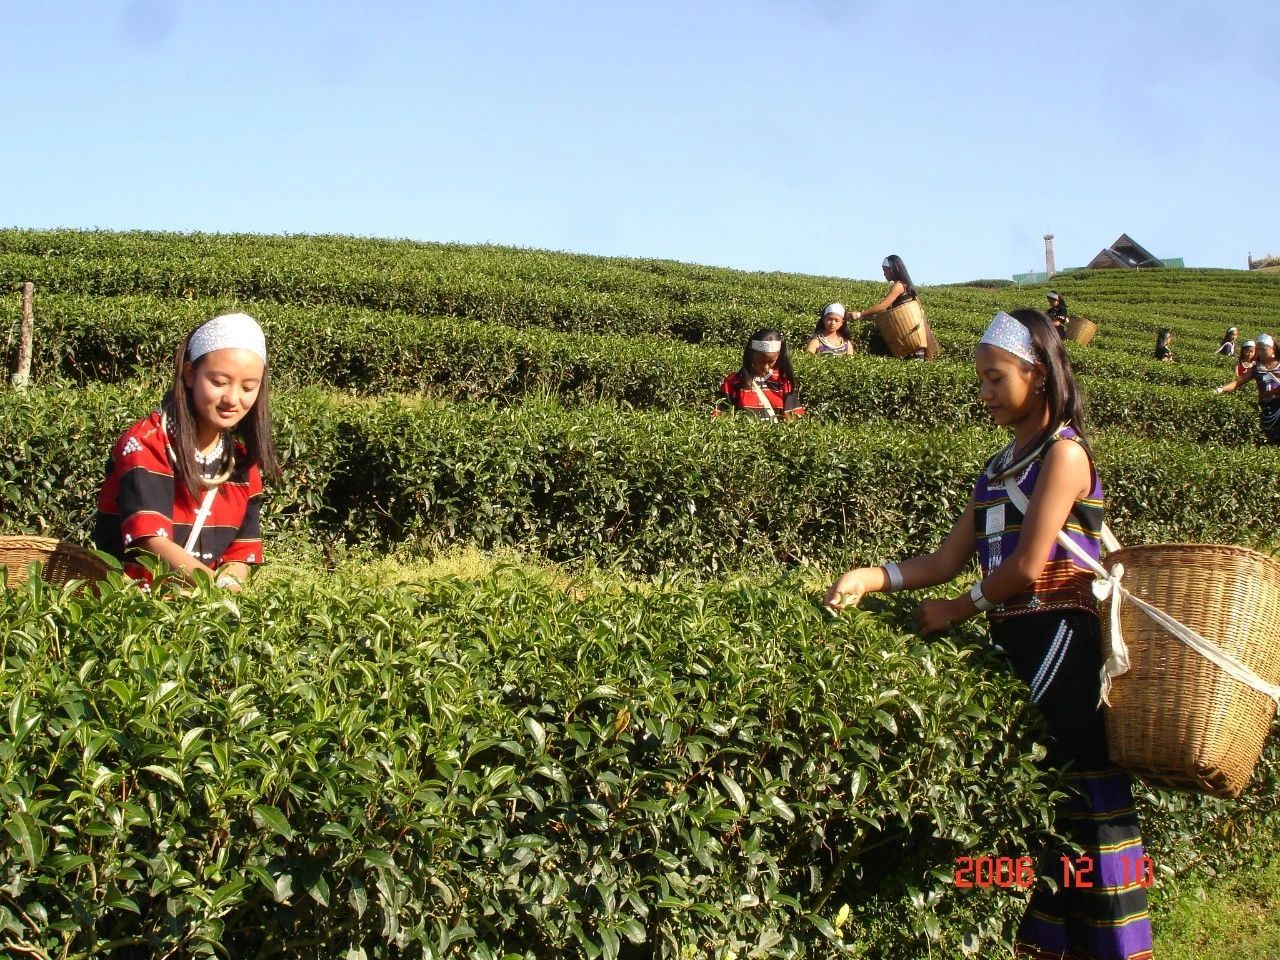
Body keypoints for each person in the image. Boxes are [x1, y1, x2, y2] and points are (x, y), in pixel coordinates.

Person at [824, 309, 1154, 959]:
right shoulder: (998, 469)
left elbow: (1028, 566)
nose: (984, 392)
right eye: (980, 379)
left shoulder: (1064, 454)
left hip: (1061, 643)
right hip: (1016, 641)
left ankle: (1118, 946)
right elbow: (945, 560)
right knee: (1052, 812)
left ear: (1038, 374)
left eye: (996, 378)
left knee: (1088, 802)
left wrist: (958, 609)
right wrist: (873, 577)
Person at [93, 312, 281, 588]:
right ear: (190, 374)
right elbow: (149, 541)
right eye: (219, 382)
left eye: (248, 387)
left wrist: (228, 589)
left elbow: (240, 553)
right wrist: (212, 588)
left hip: (200, 606)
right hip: (130, 603)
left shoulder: (242, 462)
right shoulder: (147, 443)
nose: (232, 398)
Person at [849, 254, 939, 360]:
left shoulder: (899, 286)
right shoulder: (906, 286)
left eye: (885, 270)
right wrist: (867, 317)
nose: (884, 274)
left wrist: (860, 314)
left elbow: (882, 306)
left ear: (894, 269)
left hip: (910, 340)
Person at [716, 329, 805, 420]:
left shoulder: (783, 382)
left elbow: (794, 419)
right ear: (751, 355)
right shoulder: (733, 382)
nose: (766, 367)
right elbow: (722, 418)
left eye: (771, 362)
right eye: (761, 361)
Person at [1215, 332, 1280, 445]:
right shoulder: (1256, 368)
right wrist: (1221, 389)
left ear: (1273, 349)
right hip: (1265, 407)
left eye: (1263, 349)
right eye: (1258, 349)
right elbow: (1238, 382)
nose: (1260, 352)